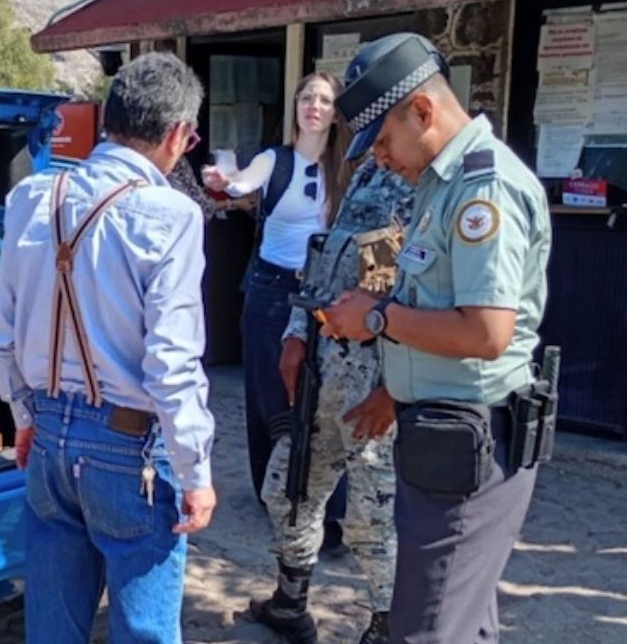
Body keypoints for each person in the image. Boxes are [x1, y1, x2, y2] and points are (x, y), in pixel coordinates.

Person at [323, 33, 552, 643]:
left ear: (421, 111)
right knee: (461, 623)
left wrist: (376, 319)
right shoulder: (439, 185)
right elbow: (437, 302)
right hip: (441, 434)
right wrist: (395, 391)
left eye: (383, 142)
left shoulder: (484, 190)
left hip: (468, 446)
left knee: (426, 630)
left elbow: (485, 331)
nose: (378, 159)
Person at [0, 51, 216, 644]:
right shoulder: (172, 215)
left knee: (53, 628)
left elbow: (3, 333)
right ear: (176, 135)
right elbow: (171, 362)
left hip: (49, 434)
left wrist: (24, 416)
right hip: (129, 444)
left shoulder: (31, 197)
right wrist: (196, 470)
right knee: (143, 632)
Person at [247, 156, 412, 644]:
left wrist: (394, 391)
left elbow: (422, 294)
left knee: (371, 514)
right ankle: (289, 601)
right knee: (287, 487)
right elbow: (327, 258)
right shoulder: (365, 171)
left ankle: (388, 624)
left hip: (375, 377)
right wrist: (296, 332)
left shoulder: (435, 184)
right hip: (323, 369)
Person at [201, 73, 355, 501]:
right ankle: (272, 493)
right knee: (269, 393)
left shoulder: (346, 167)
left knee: (325, 393)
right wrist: (222, 181)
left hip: (324, 290)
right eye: (307, 97)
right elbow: (240, 183)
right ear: (296, 107)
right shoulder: (275, 160)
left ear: (335, 111)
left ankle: (324, 498)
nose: (315, 106)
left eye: (324, 100)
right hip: (272, 288)